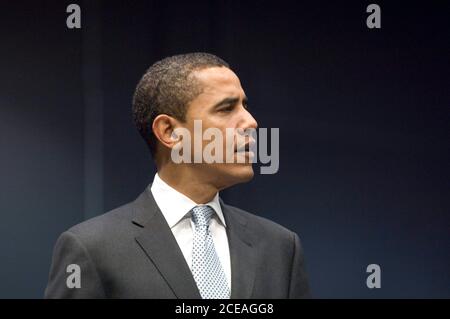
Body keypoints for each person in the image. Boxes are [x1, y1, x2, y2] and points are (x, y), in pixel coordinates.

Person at [45, 53, 310, 298]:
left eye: (244, 105)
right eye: (227, 108)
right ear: (169, 132)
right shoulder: (93, 249)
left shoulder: (281, 248)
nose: (250, 122)